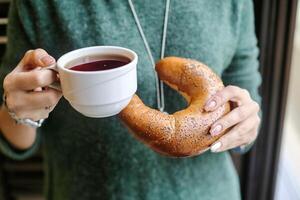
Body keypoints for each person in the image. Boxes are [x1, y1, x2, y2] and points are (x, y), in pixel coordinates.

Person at [0, 0, 261, 200]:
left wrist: (244, 126)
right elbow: (16, 144)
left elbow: (246, 104)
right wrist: (20, 112)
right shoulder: (41, 4)